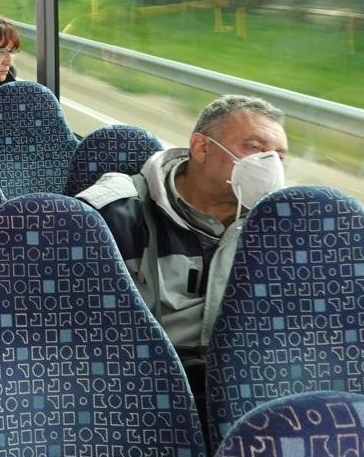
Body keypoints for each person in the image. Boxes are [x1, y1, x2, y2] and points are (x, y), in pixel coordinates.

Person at [77, 95, 288, 350]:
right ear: (201, 148)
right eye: (254, 148)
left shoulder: (277, 229)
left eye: (279, 157)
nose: (270, 166)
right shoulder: (113, 214)